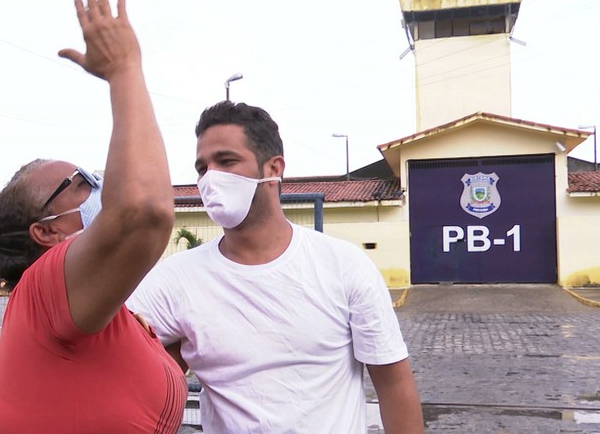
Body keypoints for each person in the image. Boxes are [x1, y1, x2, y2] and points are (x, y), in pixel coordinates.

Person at [127, 101, 425, 433]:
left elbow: (394, 385)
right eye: (202, 168)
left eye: (226, 161)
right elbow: (112, 356)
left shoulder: (343, 266)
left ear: (273, 168)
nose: (211, 178)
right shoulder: (175, 279)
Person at [0, 0, 185, 433]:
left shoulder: (91, 303)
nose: (101, 185)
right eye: (81, 183)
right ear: (45, 232)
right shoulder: (45, 289)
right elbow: (143, 209)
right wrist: (125, 68)